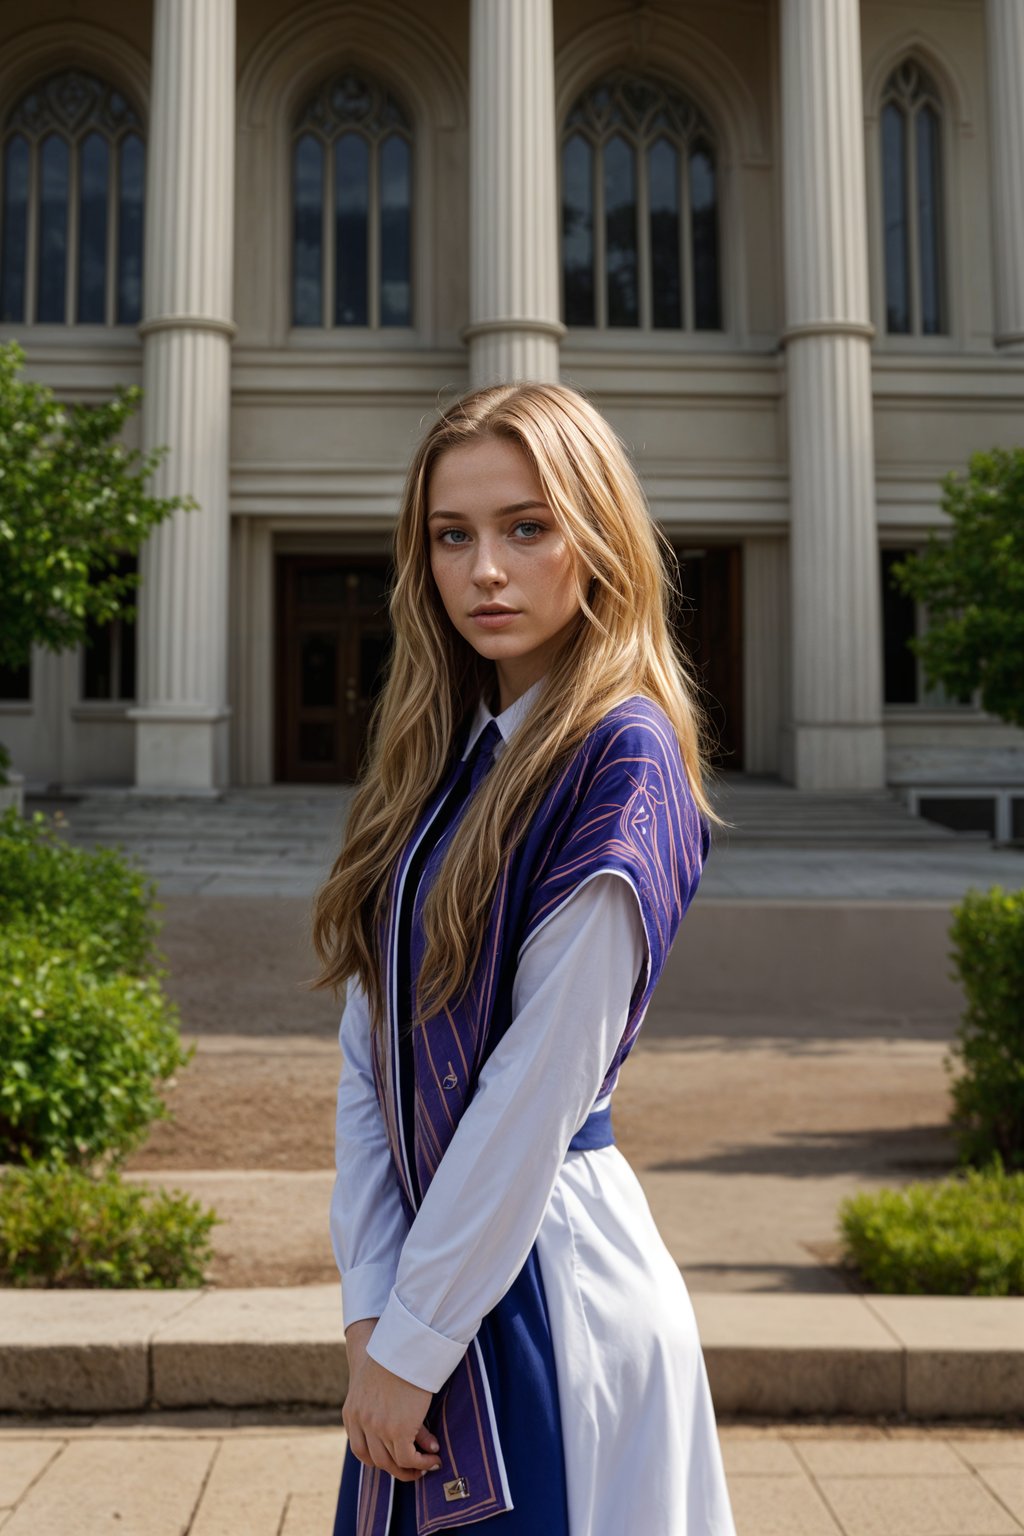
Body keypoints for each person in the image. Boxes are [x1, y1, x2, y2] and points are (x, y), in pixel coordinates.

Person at [311, 381, 738, 1536]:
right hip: (430, 1283)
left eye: (525, 526)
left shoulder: (623, 753)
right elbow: (368, 1056)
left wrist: (414, 1333)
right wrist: (370, 1310)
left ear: (594, 536)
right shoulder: (443, 764)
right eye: (452, 536)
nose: (484, 569)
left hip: (547, 1278)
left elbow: (537, 1087)